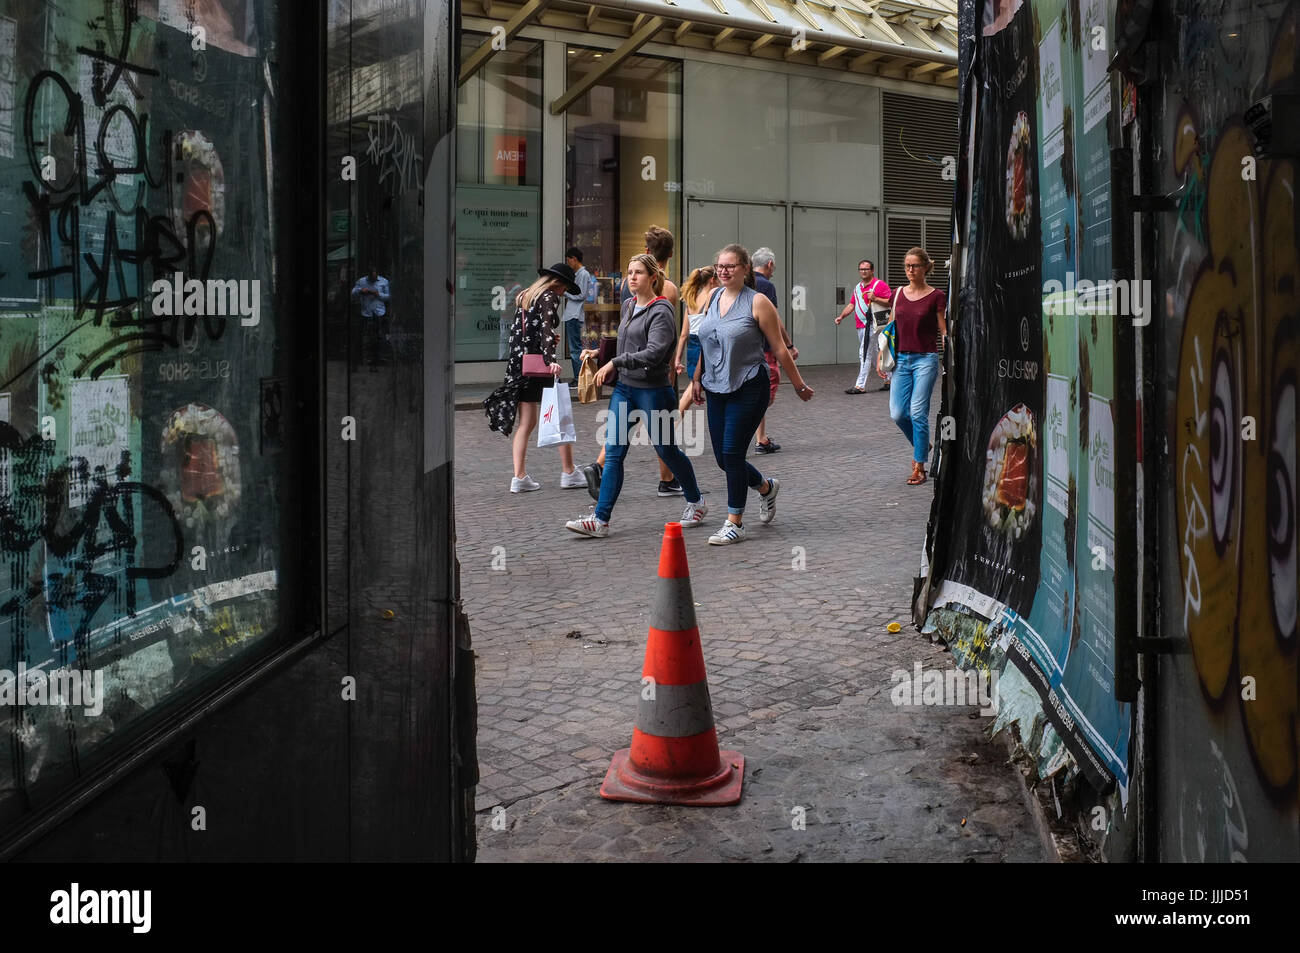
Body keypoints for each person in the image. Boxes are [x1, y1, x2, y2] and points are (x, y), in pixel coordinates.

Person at [564, 254, 706, 538]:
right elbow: (626, 343)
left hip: (654, 391)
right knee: (614, 452)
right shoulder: (628, 305)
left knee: (666, 450)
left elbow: (654, 353)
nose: (631, 277)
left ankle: (696, 501)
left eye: (638, 272)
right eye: (629, 272)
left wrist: (614, 363)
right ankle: (600, 520)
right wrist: (599, 353)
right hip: (625, 390)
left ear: (653, 277)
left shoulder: (662, 311)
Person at [690, 244, 813, 545]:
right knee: (722, 458)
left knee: (732, 452)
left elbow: (780, 348)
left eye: (730, 265)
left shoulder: (757, 302)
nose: (723, 270)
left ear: (745, 269)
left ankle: (735, 522)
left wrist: (798, 385)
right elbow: (709, 342)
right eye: (720, 265)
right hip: (715, 386)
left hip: (749, 386)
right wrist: (695, 379)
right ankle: (766, 488)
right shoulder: (714, 297)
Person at [581, 225, 682, 500]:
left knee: (628, 427)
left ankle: (601, 467)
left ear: (648, 252)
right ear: (671, 254)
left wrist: (609, 357)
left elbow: (625, 329)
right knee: (662, 429)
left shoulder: (626, 285)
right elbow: (661, 341)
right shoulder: (668, 290)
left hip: (628, 370)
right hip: (649, 371)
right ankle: (669, 480)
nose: (634, 275)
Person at [497, 263, 587, 493]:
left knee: (526, 423)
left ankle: (519, 477)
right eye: (564, 288)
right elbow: (546, 328)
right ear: (559, 284)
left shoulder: (526, 296)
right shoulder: (549, 297)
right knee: (559, 415)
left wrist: (545, 344)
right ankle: (568, 472)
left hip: (520, 364)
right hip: (539, 364)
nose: (563, 294)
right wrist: (550, 359)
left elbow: (529, 332)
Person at [879, 246, 947, 485]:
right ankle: (922, 444)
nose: (910, 270)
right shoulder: (897, 294)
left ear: (926, 267)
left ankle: (919, 465)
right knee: (898, 413)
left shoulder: (936, 295)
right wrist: (881, 355)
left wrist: (949, 348)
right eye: (907, 265)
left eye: (915, 265)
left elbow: (943, 328)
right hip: (901, 360)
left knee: (917, 412)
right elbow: (890, 327)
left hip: (925, 359)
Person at [749, 247, 797, 454]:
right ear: (769, 264)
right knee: (765, 395)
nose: (773, 270)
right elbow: (774, 318)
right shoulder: (765, 285)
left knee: (758, 393)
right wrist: (788, 345)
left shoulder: (744, 282)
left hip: (747, 347)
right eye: (773, 266)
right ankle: (749, 433)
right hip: (765, 347)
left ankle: (762, 439)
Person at [836, 259, 892, 393]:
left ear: (872, 270)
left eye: (866, 269)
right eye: (861, 269)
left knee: (864, 352)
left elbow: (891, 302)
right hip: (860, 326)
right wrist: (841, 316)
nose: (863, 271)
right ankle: (889, 379)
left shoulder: (880, 285)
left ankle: (860, 385)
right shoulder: (857, 288)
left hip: (873, 326)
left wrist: (875, 298)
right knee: (872, 355)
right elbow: (852, 305)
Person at [673, 265, 718, 417]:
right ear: (712, 281)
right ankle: (669, 427)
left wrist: (678, 359)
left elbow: (684, 334)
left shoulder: (692, 299)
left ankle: (669, 426)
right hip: (705, 347)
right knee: (696, 389)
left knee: (694, 387)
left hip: (692, 346)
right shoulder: (713, 299)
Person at [350, 263, 390, 370]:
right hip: (365, 313)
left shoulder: (384, 281)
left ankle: (374, 364)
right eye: (371, 278)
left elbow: (388, 297)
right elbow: (353, 293)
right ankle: (356, 364)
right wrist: (360, 291)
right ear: (368, 276)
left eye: (375, 277)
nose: (373, 280)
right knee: (359, 338)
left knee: (376, 339)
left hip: (378, 313)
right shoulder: (361, 281)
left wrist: (378, 294)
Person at [562, 247, 593, 382]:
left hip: (575, 314)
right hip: (573, 314)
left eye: (569, 260)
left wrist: (564, 292)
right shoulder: (580, 274)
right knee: (576, 348)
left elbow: (581, 295)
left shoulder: (583, 274)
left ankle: (578, 379)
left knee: (575, 349)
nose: (568, 263)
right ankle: (579, 378)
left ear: (574, 259)